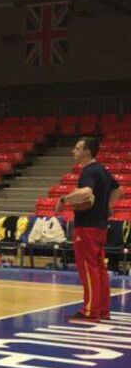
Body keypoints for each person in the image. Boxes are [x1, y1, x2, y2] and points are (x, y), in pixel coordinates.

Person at [57, 136, 121, 321]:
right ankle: (102, 310)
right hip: (100, 226)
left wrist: (63, 200)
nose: (73, 151)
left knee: (88, 268)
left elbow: (86, 192)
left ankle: (90, 311)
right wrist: (108, 206)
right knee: (99, 268)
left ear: (87, 151)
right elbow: (118, 190)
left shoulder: (89, 171)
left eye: (77, 148)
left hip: (87, 227)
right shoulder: (102, 169)